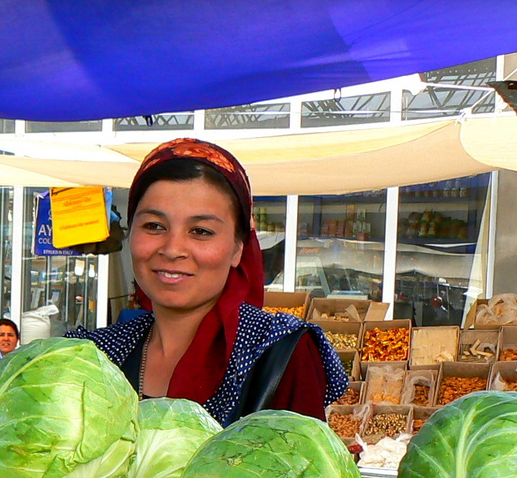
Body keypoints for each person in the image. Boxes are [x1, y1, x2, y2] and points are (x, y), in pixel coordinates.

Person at [67, 139, 346, 422]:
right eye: (154, 226)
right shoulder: (93, 354)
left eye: (200, 231)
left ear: (238, 248)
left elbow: (303, 464)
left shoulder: (279, 352)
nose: (173, 249)